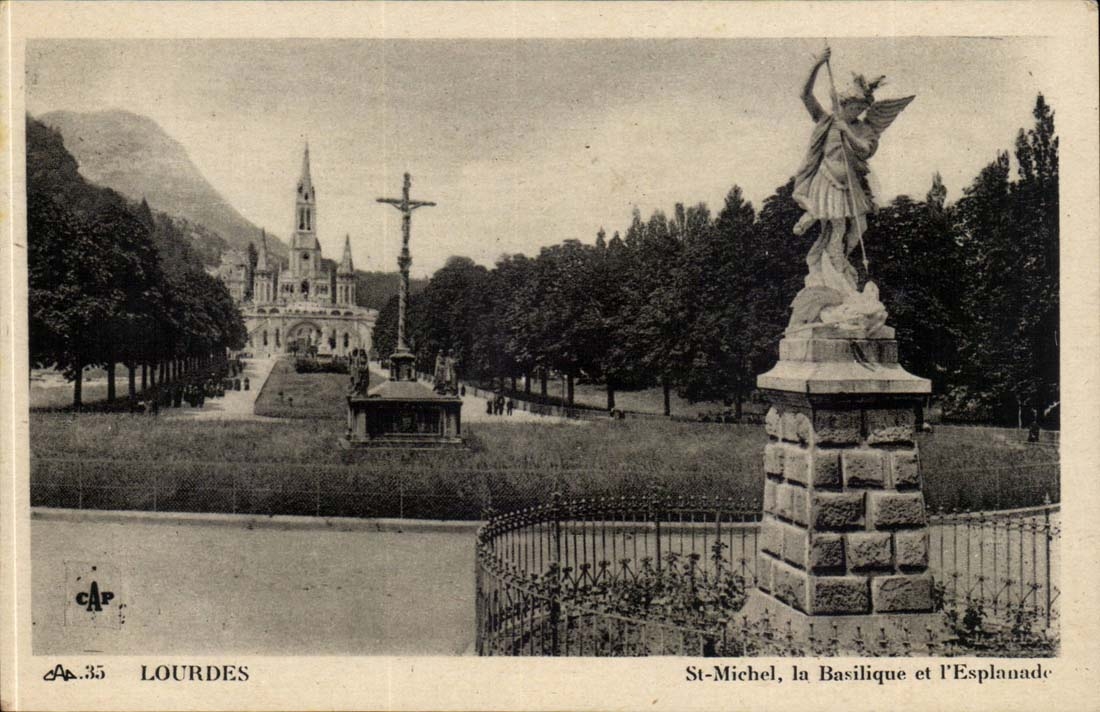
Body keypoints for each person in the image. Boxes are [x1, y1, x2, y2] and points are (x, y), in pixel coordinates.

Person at [788, 47, 914, 332]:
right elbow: (804, 95)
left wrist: (848, 131)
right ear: (843, 103)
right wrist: (818, 64)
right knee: (837, 231)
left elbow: (867, 150)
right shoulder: (827, 120)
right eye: (852, 106)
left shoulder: (862, 128)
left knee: (858, 230)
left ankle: (840, 270)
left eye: (860, 108)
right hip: (828, 183)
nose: (856, 111)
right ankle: (837, 280)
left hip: (852, 188)